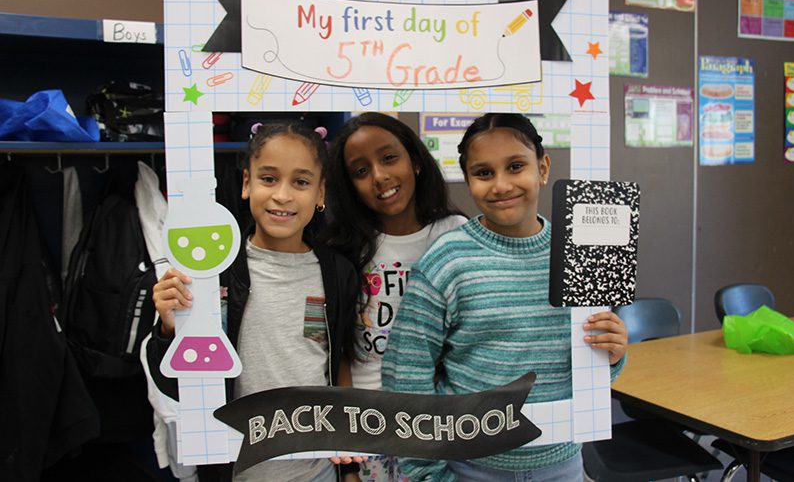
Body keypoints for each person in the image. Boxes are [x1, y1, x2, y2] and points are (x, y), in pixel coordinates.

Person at [381, 113, 628, 482]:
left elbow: (595, 362)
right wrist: (429, 474)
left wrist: (613, 354)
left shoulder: (581, 252)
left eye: (516, 166)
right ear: (467, 180)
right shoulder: (448, 259)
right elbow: (406, 373)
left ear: (542, 168)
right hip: (469, 467)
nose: (501, 185)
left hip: (562, 463)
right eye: (483, 173)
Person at [145, 121, 359, 482]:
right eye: (269, 179)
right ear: (247, 184)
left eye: (301, 182)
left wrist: (350, 466)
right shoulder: (213, 270)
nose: (283, 196)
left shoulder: (338, 272)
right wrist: (168, 324)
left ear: (321, 193)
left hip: (316, 470)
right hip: (234, 470)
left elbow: (338, 364)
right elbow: (175, 384)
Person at [320, 112, 466, 481]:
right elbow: (340, 355)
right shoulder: (342, 251)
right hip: (373, 426)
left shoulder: (455, 235)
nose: (380, 177)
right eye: (360, 171)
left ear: (415, 161)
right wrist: (350, 459)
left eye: (389, 158)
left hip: (448, 426)